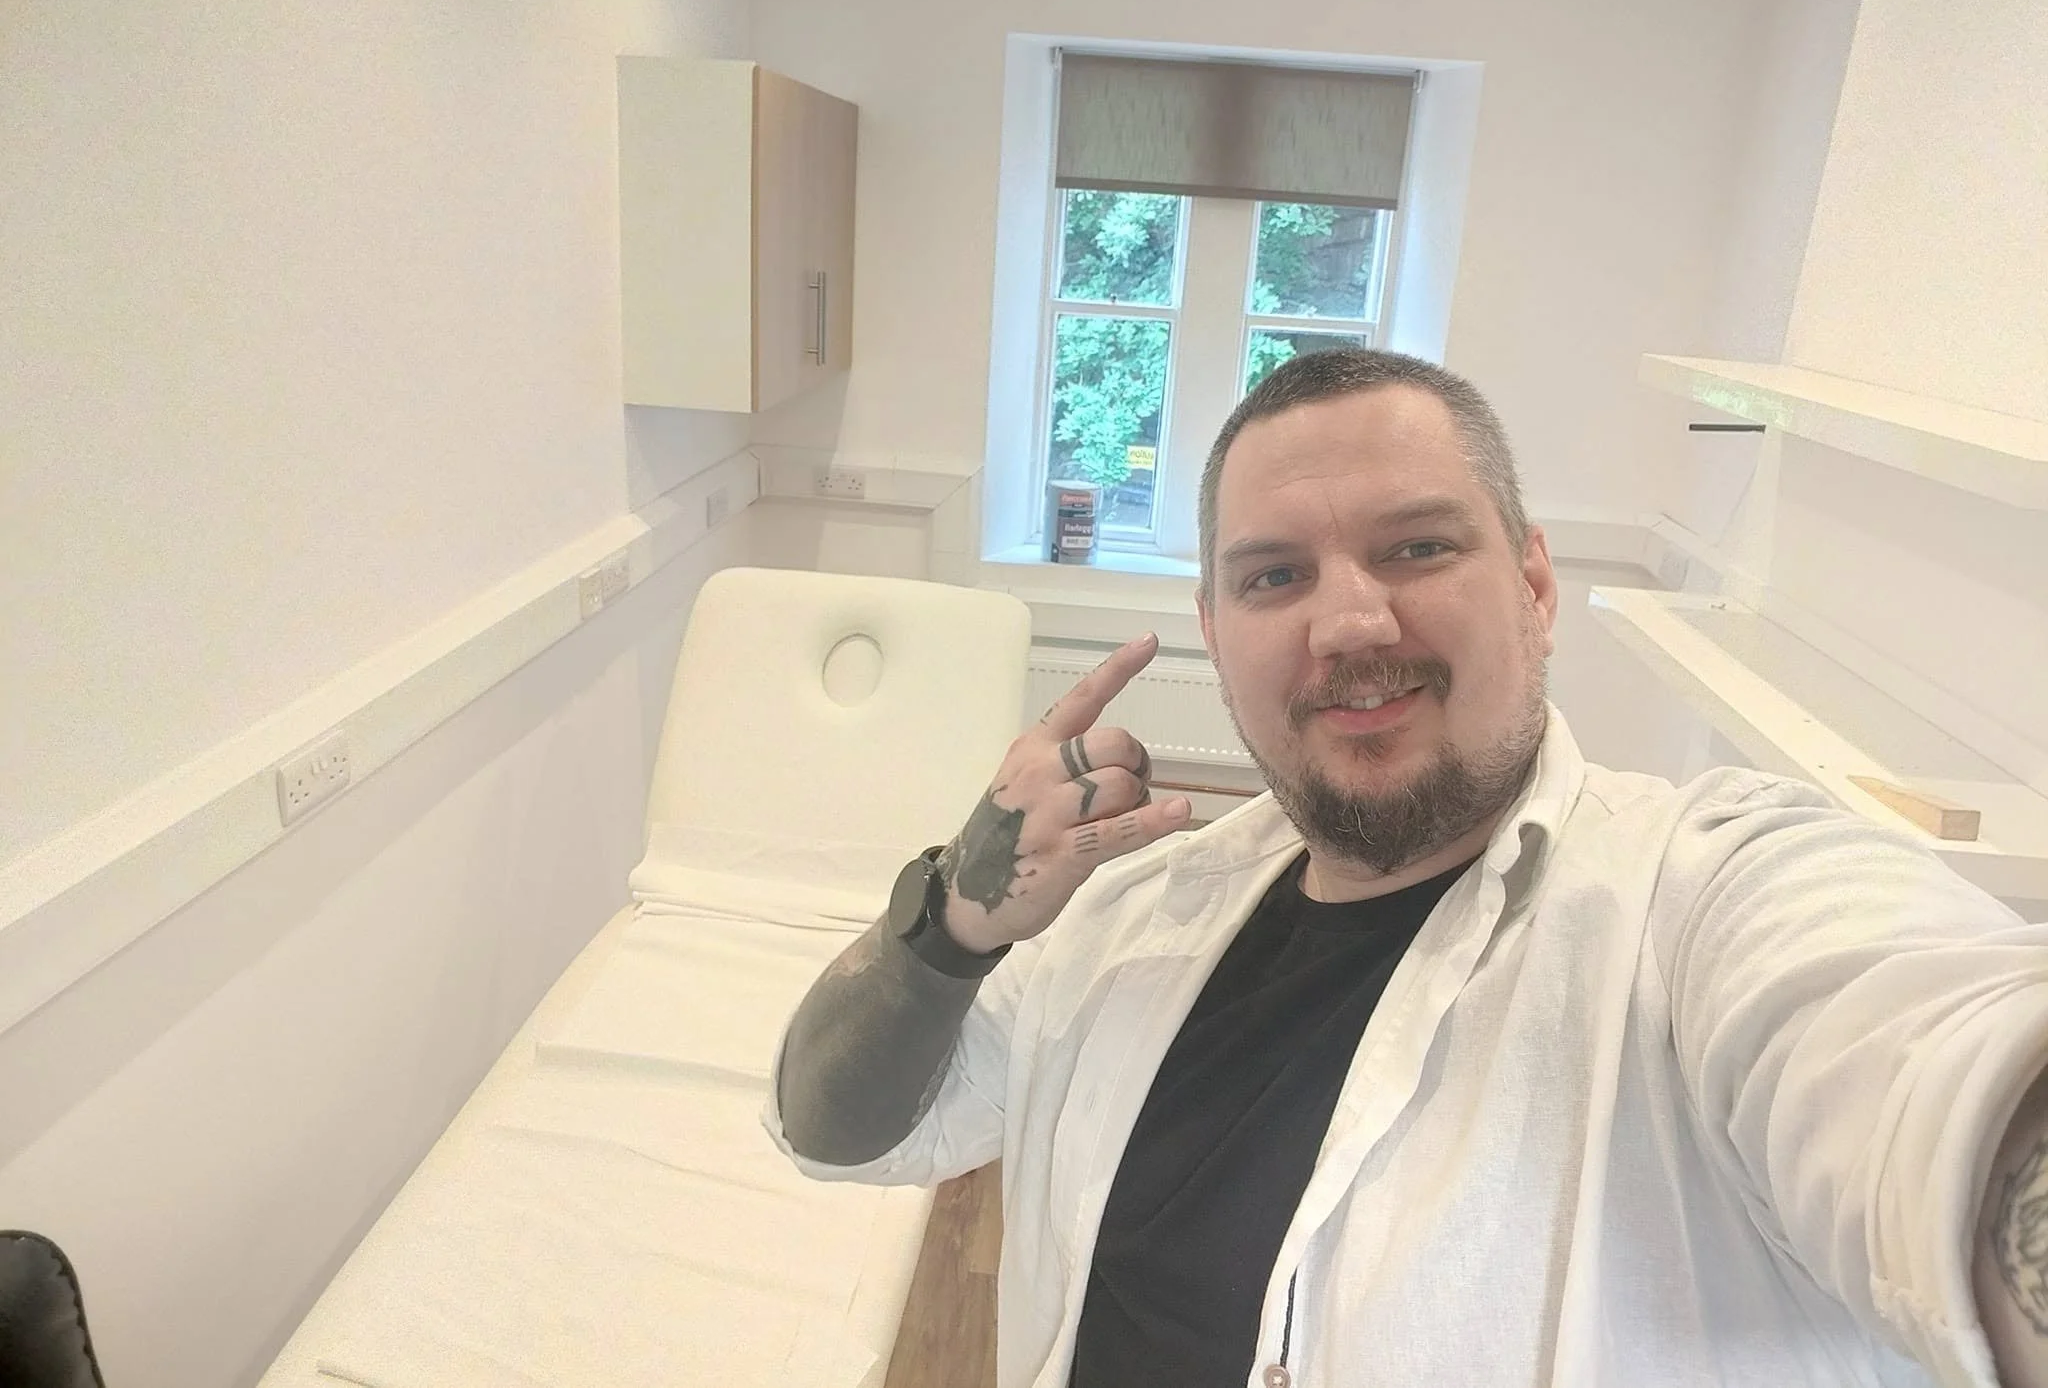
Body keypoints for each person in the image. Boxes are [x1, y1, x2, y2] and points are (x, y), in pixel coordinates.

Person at [765, 348, 2048, 1388]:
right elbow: (835, 1131)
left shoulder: (1700, 900)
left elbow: (1917, 1054)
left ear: (1534, 582)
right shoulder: (1133, 921)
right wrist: (947, 925)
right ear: (1216, 633)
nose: (1349, 623)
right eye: (1274, 576)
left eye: (1416, 548)